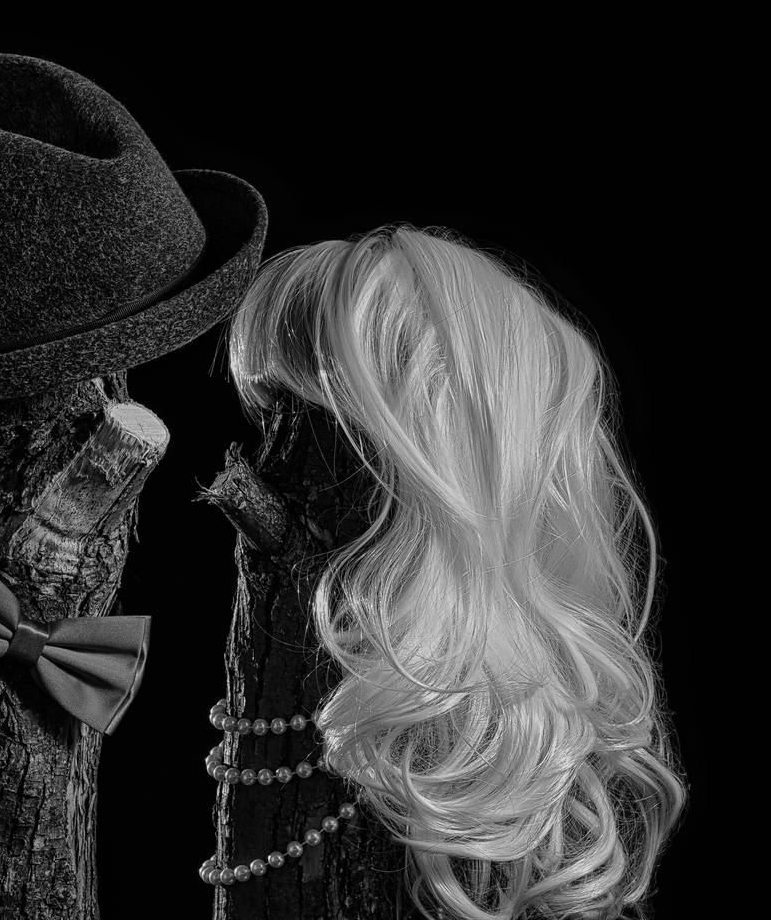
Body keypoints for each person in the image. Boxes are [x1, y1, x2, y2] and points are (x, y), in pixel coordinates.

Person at [225, 224, 686, 919]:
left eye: (331, 421)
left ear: (438, 453)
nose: (278, 454)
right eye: (274, 416)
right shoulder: (288, 652)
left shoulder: (506, 766)